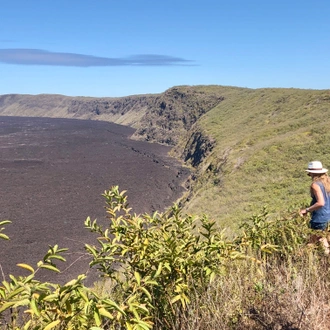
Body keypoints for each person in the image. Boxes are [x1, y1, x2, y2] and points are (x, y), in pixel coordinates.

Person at [300, 160, 330, 230]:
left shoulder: (315, 185)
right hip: (329, 218)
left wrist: (307, 210)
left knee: (317, 239)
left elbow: (321, 203)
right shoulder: (328, 182)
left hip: (320, 219)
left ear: (312, 173)